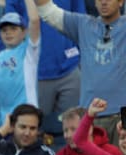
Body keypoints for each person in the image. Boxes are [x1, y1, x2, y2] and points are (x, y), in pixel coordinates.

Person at [36, 0, 126, 141]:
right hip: (89, 115)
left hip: (121, 116)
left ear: (121, 2)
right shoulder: (82, 24)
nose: (103, 2)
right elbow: (47, 11)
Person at [5, 0, 82, 118]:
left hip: (70, 68)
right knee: (35, 129)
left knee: (73, 128)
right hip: (35, 73)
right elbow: (10, 27)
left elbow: (80, 21)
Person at [0, 8, 40, 131]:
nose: (8, 33)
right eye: (4, 30)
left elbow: (35, 20)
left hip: (26, 116)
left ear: (24, 32)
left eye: (13, 29)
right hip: (2, 119)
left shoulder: (29, 51)